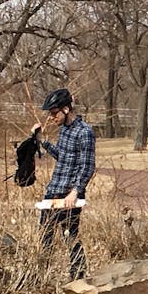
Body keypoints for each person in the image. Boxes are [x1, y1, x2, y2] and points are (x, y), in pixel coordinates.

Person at [30, 88, 94, 281]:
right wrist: (42, 141)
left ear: (66, 109)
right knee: (45, 236)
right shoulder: (65, 131)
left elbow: (88, 165)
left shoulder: (85, 132)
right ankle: (41, 277)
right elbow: (63, 158)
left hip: (70, 195)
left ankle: (78, 278)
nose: (52, 117)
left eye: (54, 112)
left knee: (70, 236)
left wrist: (75, 192)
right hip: (53, 191)